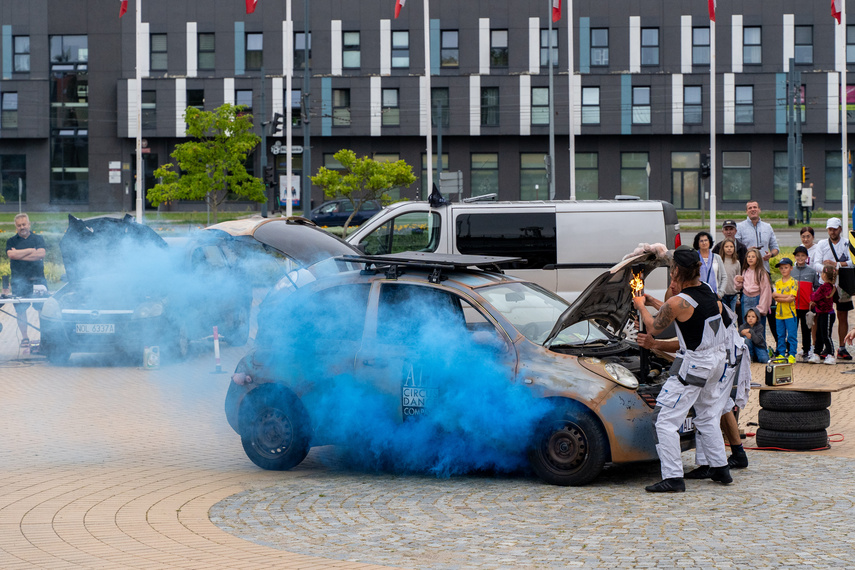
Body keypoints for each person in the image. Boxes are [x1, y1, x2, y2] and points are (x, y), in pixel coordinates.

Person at [633, 245, 732, 492]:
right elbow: (690, 324)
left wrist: (641, 305)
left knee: (664, 419)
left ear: (676, 272)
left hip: (696, 365)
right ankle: (720, 468)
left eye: (671, 269)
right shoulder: (708, 291)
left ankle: (673, 477)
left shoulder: (678, 302)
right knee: (708, 414)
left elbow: (654, 326)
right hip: (718, 361)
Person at [812, 217, 852, 361]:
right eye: (830, 229)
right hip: (825, 284)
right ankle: (823, 346)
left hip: (843, 283)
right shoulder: (822, 244)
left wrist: (837, 264)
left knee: (842, 315)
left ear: (840, 229)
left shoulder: (847, 243)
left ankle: (841, 346)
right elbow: (816, 263)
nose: (832, 231)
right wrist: (827, 269)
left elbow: (852, 262)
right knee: (822, 315)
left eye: (835, 229)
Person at [5, 213, 47, 347]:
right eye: (19, 225)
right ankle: (25, 338)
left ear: (29, 224)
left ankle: (44, 338)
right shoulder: (11, 241)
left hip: (38, 280)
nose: (22, 227)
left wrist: (19, 254)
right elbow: (11, 254)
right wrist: (30, 250)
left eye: (24, 224)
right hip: (19, 282)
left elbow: (41, 254)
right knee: (20, 311)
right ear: (16, 227)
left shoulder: (38, 239)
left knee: (42, 310)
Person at [734, 248, 772, 332]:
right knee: (747, 325)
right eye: (748, 256)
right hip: (746, 299)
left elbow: (765, 291)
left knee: (758, 327)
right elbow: (739, 287)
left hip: (757, 300)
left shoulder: (761, 272)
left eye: (753, 257)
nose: (750, 258)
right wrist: (737, 280)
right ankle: (748, 344)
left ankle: (759, 345)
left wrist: (762, 308)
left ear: (758, 258)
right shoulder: (745, 271)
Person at [792, 246, 818, 362]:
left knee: (806, 329)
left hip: (806, 306)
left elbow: (817, 287)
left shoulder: (812, 272)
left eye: (803, 255)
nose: (800, 258)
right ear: (795, 257)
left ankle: (806, 350)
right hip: (792, 306)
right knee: (792, 329)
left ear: (807, 257)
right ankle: (791, 351)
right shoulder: (791, 271)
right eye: (798, 255)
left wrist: (813, 300)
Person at [772, 258, 798, 363]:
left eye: (786, 267)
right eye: (781, 268)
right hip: (779, 314)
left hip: (790, 314)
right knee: (780, 335)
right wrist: (785, 297)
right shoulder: (777, 282)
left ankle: (792, 354)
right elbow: (774, 296)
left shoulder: (793, 282)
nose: (783, 270)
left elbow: (791, 298)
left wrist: (780, 297)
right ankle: (781, 353)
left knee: (791, 335)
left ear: (791, 268)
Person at [810, 266, 838, 365]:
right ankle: (817, 353)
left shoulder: (824, 287)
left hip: (827, 314)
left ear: (824, 275)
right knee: (819, 334)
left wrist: (812, 297)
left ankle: (831, 354)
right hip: (822, 313)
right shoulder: (832, 287)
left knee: (826, 335)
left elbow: (815, 296)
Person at [694, 231, 726, 297]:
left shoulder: (717, 257)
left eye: (706, 240)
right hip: (698, 294)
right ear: (698, 243)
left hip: (714, 295)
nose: (704, 243)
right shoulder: (694, 258)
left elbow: (724, 277)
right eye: (701, 241)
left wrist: (720, 293)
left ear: (709, 242)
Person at [718, 238, 742, 314]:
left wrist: (738, 298)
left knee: (732, 316)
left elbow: (738, 280)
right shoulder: (719, 261)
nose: (729, 249)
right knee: (724, 315)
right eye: (726, 246)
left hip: (733, 294)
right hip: (722, 294)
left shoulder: (736, 262)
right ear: (723, 248)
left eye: (731, 247)